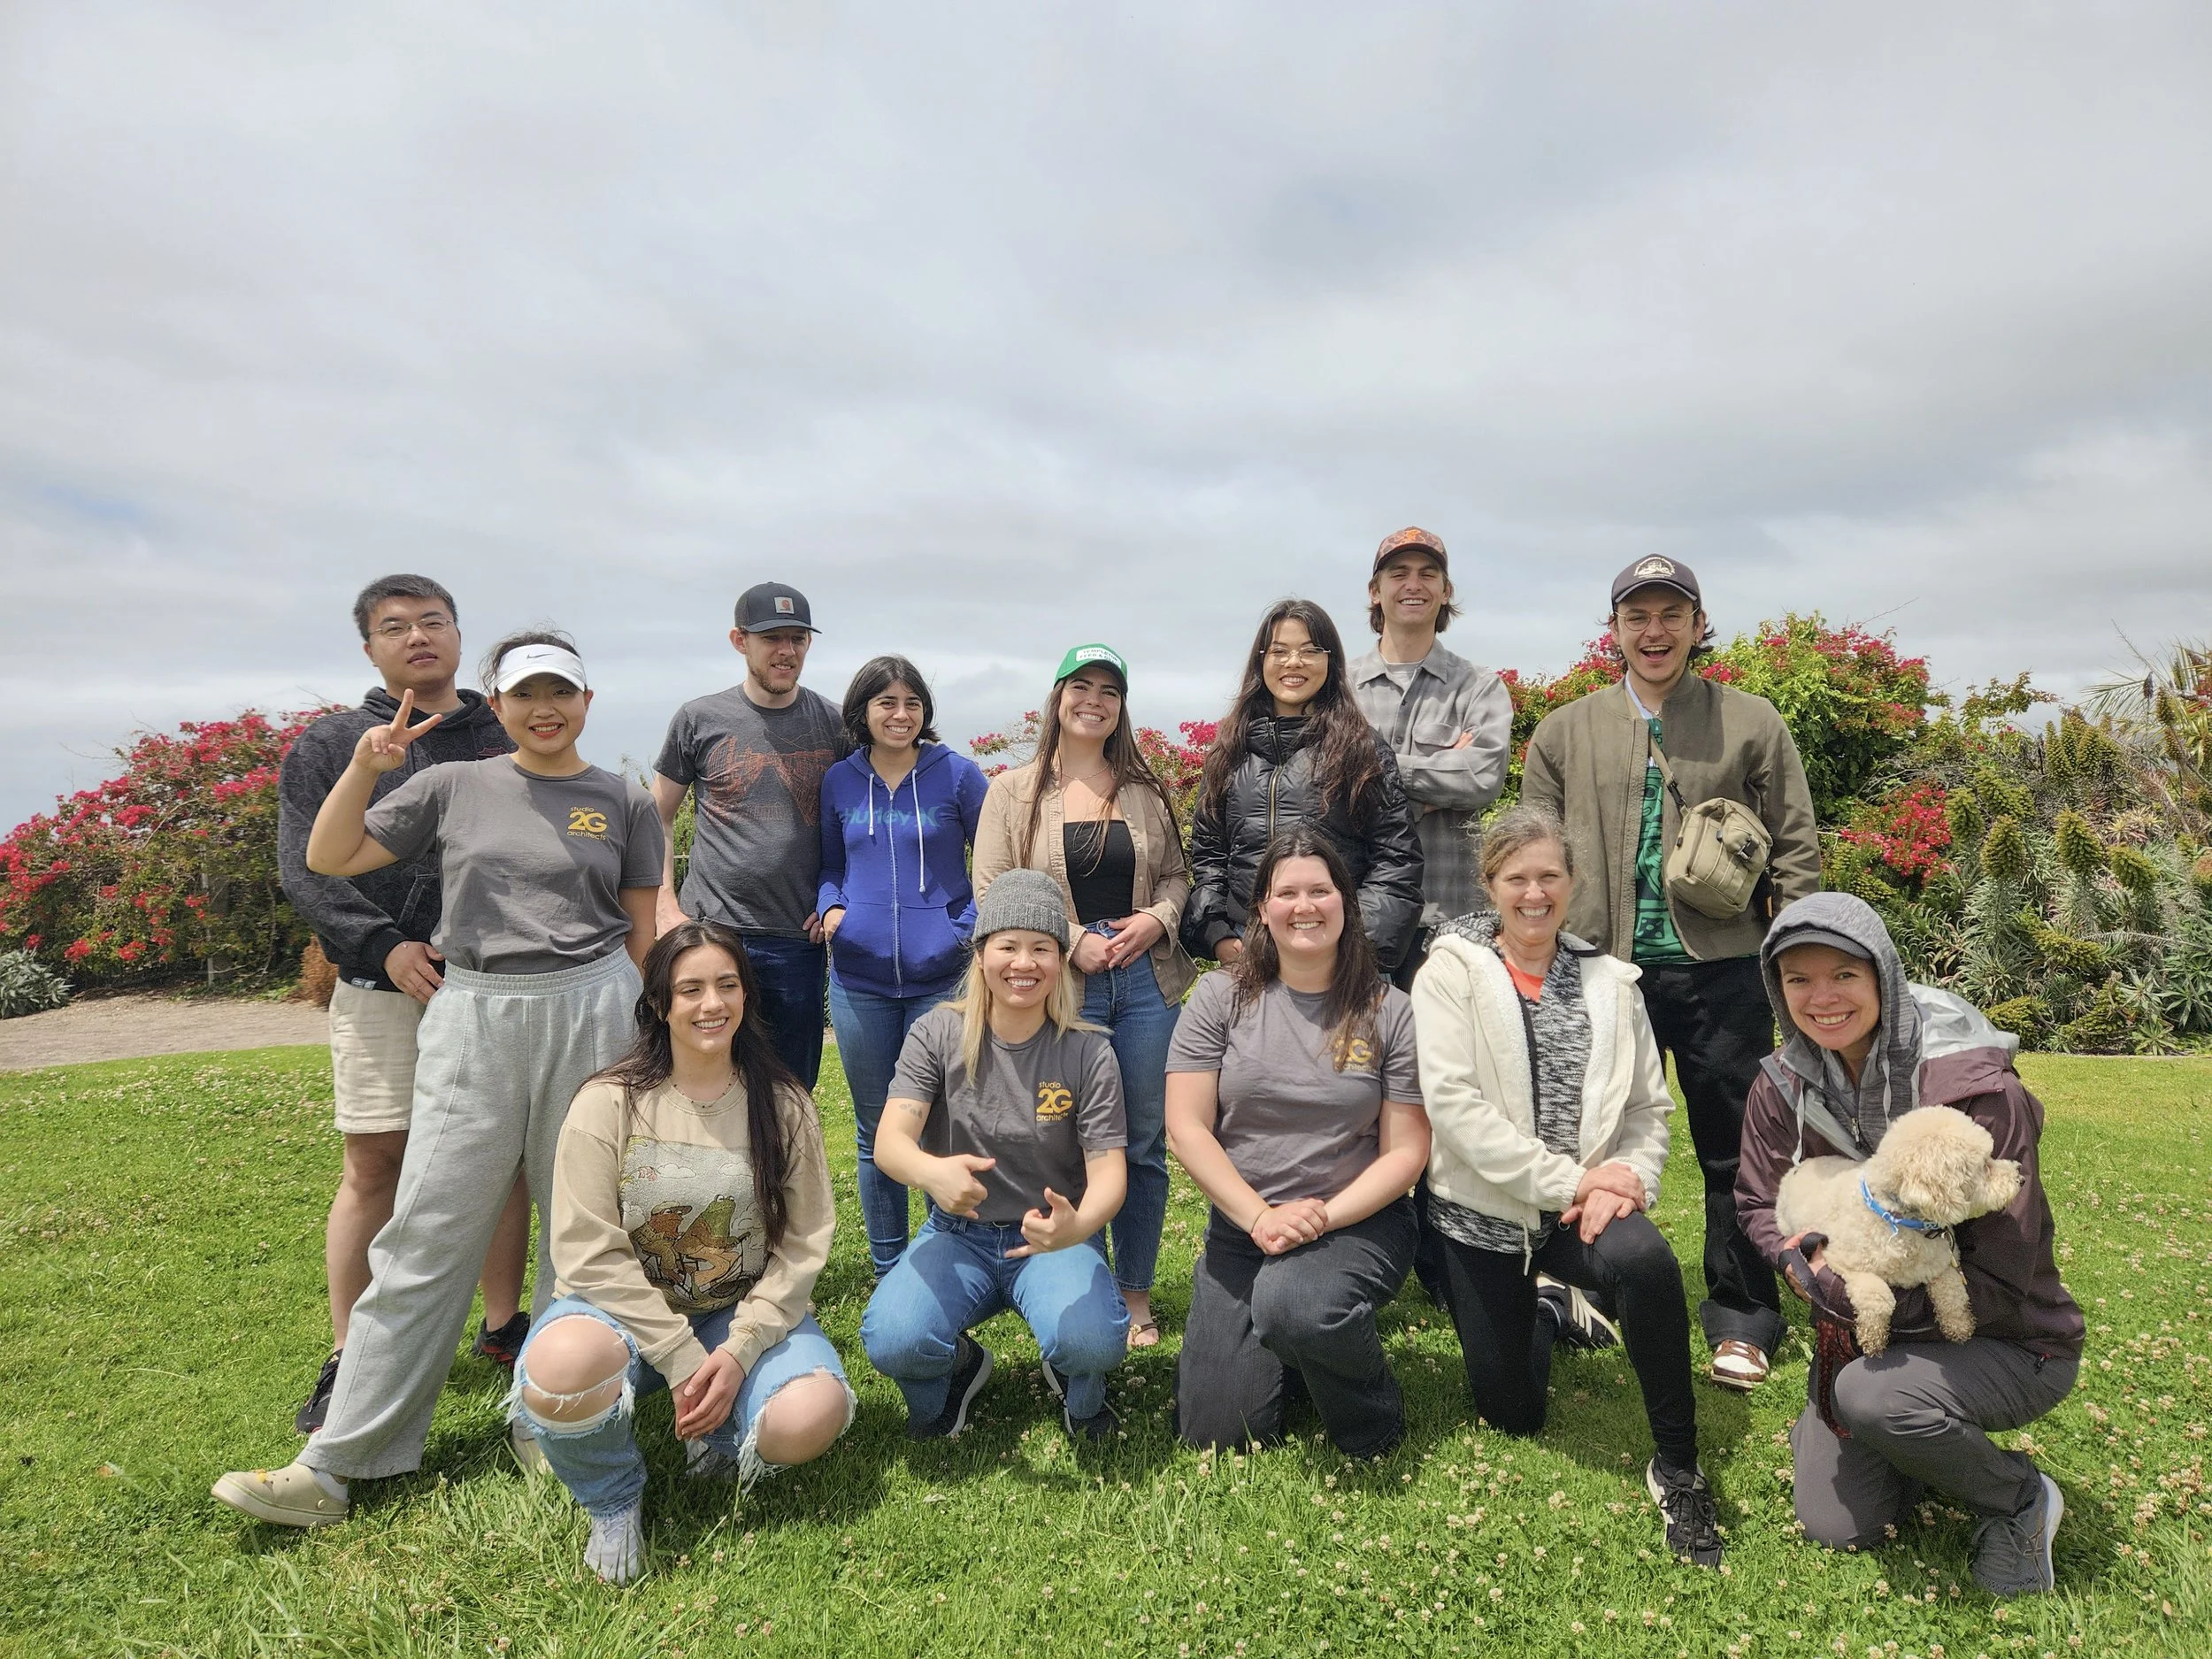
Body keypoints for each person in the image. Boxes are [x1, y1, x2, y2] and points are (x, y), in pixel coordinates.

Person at [213, 631, 664, 1527]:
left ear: (586, 701)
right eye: (526, 694)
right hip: (476, 1012)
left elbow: (642, 928)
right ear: (495, 706)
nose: (545, 709)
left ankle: (554, 1421)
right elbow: (330, 857)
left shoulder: (624, 798)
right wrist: (365, 768)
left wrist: (655, 1045)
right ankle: (337, 1462)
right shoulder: (451, 784)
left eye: (561, 693)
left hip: (596, 1008)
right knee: (425, 1230)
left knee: (580, 1234)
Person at [1521, 556, 1820, 1393]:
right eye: (1636, 615)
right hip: (1597, 971)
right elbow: (1536, 856)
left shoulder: (1750, 722)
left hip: (1720, 969)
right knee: (1581, 1140)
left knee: (1737, 1146)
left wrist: (1793, 956)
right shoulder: (1564, 731)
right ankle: (1581, 1289)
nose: (1654, 631)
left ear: (1697, 624)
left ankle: (1743, 1314)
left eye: (1670, 614)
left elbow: (1795, 845)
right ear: (1613, 628)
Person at [1738, 892, 2083, 1596]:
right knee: (1836, 1524)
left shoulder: (1973, 1089)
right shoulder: (1782, 1087)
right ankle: (1910, 1433)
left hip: (2010, 1336)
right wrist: (1801, 1261)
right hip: (1863, 1336)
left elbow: (2005, 1267)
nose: (1822, 997)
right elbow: (1754, 1201)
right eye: (1798, 979)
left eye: (1843, 974)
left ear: (1883, 977)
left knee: (1871, 1397)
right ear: (1777, 989)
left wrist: (1867, 1308)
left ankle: (2019, 1496)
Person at [1412, 804, 1724, 1568]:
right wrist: (1578, 1178)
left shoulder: (1614, 982)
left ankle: (1678, 1466)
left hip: (1583, 1210)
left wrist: (1632, 1176)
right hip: (1484, 1216)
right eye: (1516, 877)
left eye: (1550, 875)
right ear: (1490, 883)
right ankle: (1553, 1309)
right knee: (1513, 1414)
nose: (1535, 892)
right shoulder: (1448, 971)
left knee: (1646, 1262)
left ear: (1573, 881)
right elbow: (1454, 1110)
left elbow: (1651, 1107)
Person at [510, 919, 853, 1586]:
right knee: (561, 1366)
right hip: (620, 1319)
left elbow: (804, 1245)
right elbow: (585, 1250)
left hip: (733, 1313)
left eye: (727, 985)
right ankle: (613, 1498)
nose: (711, 1003)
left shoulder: (783, 1105)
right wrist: (679, 1355)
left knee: (811, 1414)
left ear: (747, 996)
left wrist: (739, 1349)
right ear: (661, 1003)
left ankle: (716, 1436)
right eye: (689, 988)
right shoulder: (607, 1102)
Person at [275, 574, 532, 1434]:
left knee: (503, 1161)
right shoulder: (334, 741)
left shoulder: (505, 734)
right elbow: (308, 864)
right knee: (374, 1162)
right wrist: (384, 946)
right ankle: (351, 1353)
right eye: (396, 627)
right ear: (369, 647)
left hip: (491, 983)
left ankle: (504, 1329)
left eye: (433, 621)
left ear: (459, 634)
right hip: (376, 983)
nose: (417, 637)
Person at [1168, 827, 1430, 1459]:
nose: (1304, 905)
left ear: (1346, 901)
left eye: (1321, 889)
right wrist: (1259, 1216)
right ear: (1262, 907)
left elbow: (1406, 1151)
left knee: (1295, 1303)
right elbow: (1185, 1125)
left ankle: (1371, 1422)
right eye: (1287, 892)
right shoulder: (1218, 997)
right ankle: (1297, 1344)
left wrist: (1319, 1217)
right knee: (1215, 1431)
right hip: (1245, 1227)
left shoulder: (1388, 1009)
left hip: (1355, 1223)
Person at [859, 870, 1131, 1443]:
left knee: (1092, 1339)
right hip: (958, 1233)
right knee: (894, 1337)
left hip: (1054, 1236)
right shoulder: (936, 1033)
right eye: (1007, 945)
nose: (1023, 963)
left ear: (1061, 959)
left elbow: (1109, 1175)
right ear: (982, 954)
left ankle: (1076, 1383)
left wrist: (1076, 1225)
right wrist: (931, 1172)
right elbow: (889, 1142)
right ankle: (956, 1372)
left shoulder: (1088, 1051)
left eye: (1041, 947)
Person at [973, 643, 1191, 1348]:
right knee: (1069, 1140)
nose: (1094, 699)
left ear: (1122, 705)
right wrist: (1070, 937)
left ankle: (1134, 1292)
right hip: (1063, 986)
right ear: (1058, 697)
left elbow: (1179, 878)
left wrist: (1156, 918)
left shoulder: (1144, 789)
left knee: (1145, 1141)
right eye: (1081, 686)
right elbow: (991, 891)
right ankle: (1082, 1286)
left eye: (1109, 689)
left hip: (1146, 982)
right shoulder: (1013, 790)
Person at [818, 655, 989, 1279]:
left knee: (940, 1125)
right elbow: (829, 864)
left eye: (912, 702)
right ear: (863, 710)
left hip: (941, 980)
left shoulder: (958, 776)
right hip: (859, 982)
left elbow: (995, 853)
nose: (900, 713)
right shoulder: (840, 780)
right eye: (887, 702)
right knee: (874, 1131)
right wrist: (831, 906)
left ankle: (946, 1254)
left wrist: (965, 926)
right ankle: (890, 1266)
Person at [653, 582, 850, 1089]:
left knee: (789, 1087)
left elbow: (857, 820)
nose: (786, 651)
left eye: (797, 638)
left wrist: (837, 897)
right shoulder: (699, 719)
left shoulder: (834, 724)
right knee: (702, 1079)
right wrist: (664, 906)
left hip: (795, 939)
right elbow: (655, 816)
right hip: (710, 932)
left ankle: (782, 1171)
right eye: (772, 638)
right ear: (740, 640)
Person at [1181, 599, 1425, 976]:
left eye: (1310, 651)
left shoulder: (1361, 748)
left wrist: (1352, 949)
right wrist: (1218, 936)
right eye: (1279, 651)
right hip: (1249, 960)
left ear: (1331, 662)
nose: (1293, 663)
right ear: (1260, 662)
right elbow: (1210, 856)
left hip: (1341, 965)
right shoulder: (1229, 753)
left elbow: (1396, 860)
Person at [1346, 527, 1514, 980]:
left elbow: (1481, 780)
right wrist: (1436, 784)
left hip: (1451, 919)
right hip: (1355, 917)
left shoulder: (1478, 687)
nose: (1413, 585)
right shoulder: (1338, 688)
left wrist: (1373, 774)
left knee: (1450, 1054)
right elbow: (1320, 788)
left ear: (1446, 591)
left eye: (1428, 573)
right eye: (1398, 573)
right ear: (1375, 592)